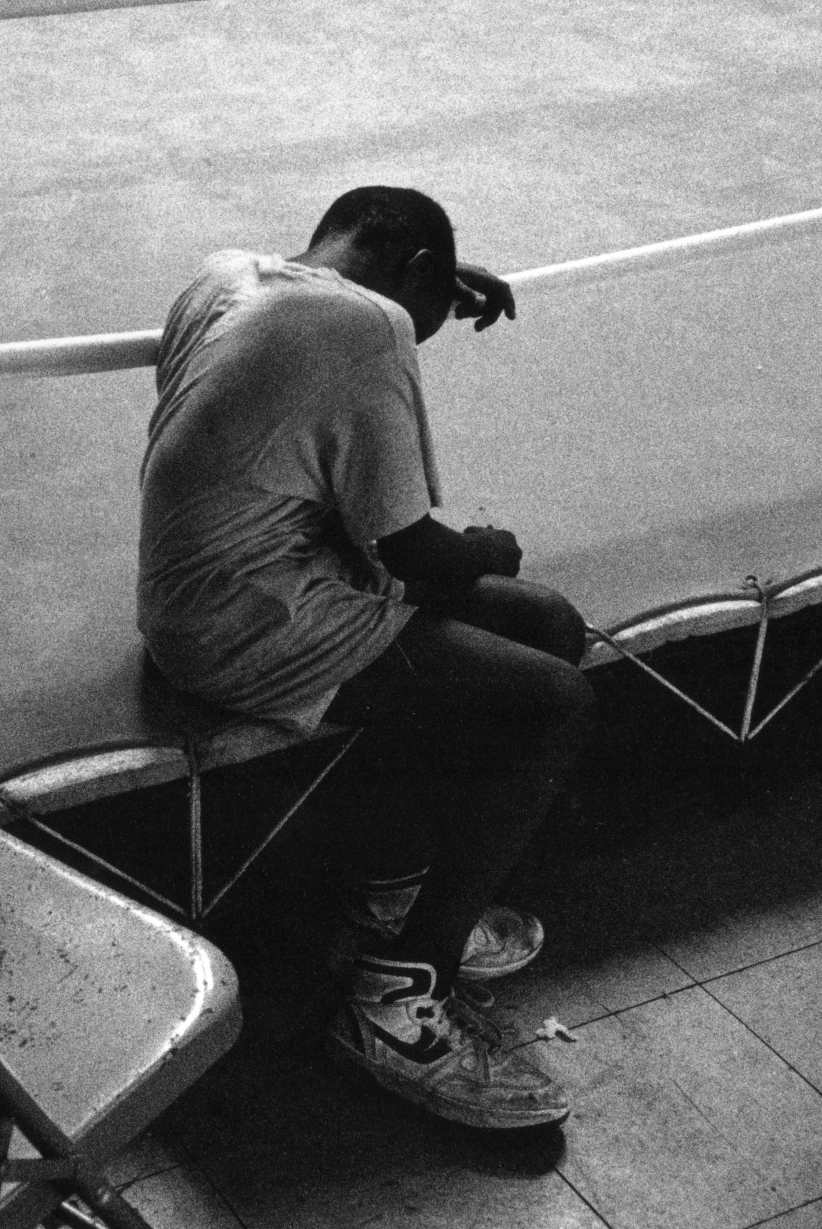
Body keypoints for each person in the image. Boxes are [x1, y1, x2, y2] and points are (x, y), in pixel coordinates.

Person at [138, 188, 597, 1131]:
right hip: (253, 622)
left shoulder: (226, 277)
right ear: (415, 275)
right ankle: (399, 998)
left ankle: (396, 885)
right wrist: (490, 548)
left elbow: (335, 311)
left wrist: (418, 284)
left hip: (205, 593)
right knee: (554, 701)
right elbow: (416, 558)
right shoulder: (367, 326)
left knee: (547, 624)